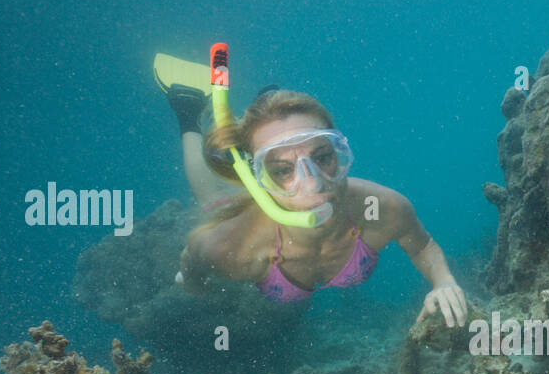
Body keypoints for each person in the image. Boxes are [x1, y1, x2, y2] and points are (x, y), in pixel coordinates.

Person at [166, 80, 467, 327]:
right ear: (258, 178)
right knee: (212, 198)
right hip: (241, 218)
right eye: (282, 170)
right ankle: (187, 110)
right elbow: (193, 258)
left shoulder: (384, 207)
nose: (313, 183)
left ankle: (267, 104)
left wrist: (444, 281)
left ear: (340, 152)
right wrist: (191, 281)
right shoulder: (231, 245)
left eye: (323, 157)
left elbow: (422, 246)